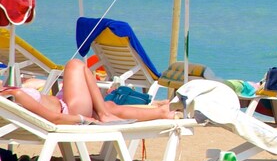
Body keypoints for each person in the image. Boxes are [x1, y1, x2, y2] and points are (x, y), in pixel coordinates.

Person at [1, 59, 176, 124]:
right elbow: (54, 118)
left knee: (110, 105)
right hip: (69, 111)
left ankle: (160, 112)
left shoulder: (6, 92)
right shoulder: (17, 95)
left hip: (65, 104)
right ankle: (103, 114)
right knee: (75, 65)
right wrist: (86, 120)